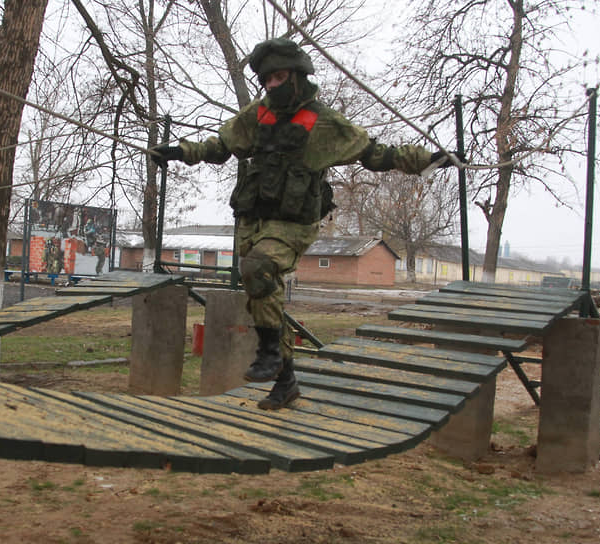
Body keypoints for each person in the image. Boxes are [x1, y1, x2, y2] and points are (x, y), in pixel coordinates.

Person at [152, 39, 463, 410]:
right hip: (253, 221)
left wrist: (430, 159)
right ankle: (286, 382)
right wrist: (181, 152)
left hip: (293, 224)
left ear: (298, 78)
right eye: (267, 80)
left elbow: (378, 155)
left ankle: (269, 354)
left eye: (279, 77)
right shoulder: (259, 114)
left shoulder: (325, 123)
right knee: (262, 296)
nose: (272, 86)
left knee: (259, 269)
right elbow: (221, 145)